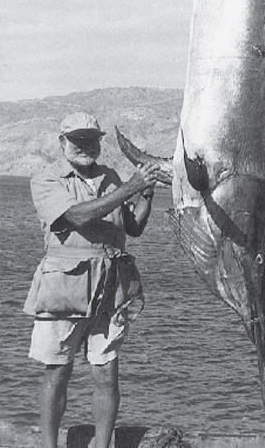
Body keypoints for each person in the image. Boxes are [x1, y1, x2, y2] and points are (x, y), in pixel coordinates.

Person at [25, 113, 163, 448]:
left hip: (110, 289)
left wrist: (145, 194)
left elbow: (132, 227)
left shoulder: (110, 176)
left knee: (106, 373)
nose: (86, 146)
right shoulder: (47, 179)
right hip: (63, 289)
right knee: (57, 372)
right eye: (78, 140)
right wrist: (130, 186)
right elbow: (77, 216)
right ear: (62, 143)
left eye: (92, 140)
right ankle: (49, 445)